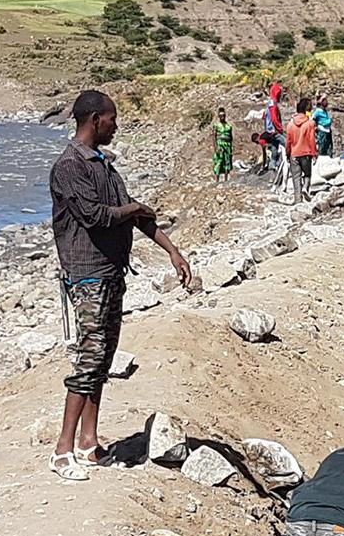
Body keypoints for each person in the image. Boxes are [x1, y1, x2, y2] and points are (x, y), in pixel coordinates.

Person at [47, 90, 192, 481]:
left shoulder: (105, 167)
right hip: (88, 274)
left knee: (105, 357)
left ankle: (89, 442)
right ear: (95, 120)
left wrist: (173, 252)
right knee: (90, 356)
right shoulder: (69, 167)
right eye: (112, 119)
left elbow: (135, 218)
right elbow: (96, 217)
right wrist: (135, 208)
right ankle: (63, 449)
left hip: (112, 272)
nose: (116, 125)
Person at [285, 95, 318, 204]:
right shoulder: (310, 123)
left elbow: (288, 141)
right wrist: (314, 153)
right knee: (307, 174)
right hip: (306, 153)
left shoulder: (290, 124)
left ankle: (297, 200)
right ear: (306, 110)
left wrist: (287, 153)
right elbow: (311, 139)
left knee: (296, 177)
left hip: (294, 154)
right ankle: (305, 188)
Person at [211, 106, 234, 186]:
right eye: (220, 116)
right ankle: (217, 180)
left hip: (227, 145)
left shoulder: (229, 126)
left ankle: (226, 180)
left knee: (227, 161)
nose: (222, 117)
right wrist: (215, 147)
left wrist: (231, 147)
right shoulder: (216, 125)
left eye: (223, 115)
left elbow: (231, 137)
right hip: (220, 144)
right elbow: (214, 137)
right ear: (218, 116)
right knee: (219, 161)